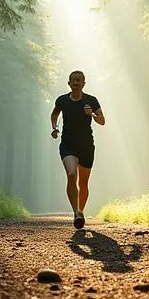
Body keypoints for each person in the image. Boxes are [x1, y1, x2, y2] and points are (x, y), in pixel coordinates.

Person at [50, 70, 105, 229]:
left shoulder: (91, 101)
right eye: (73, 80)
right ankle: (76, 212)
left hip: (86, 145)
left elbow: (102, 121)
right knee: (71, 174)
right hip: (68, 145)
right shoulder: (62, 100)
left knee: (84, 182)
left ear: (84, 83)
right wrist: (54, 128)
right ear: (69, 83)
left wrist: (92, 114)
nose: (76, 83)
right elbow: (54, 114)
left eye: (79, 80)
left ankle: (81, 210)